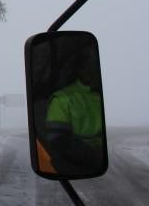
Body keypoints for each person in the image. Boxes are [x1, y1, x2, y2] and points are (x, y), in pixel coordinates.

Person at [43, 46, 105, 176]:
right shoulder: (62, 99)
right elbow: (58, 140)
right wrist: (94, 156)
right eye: (90, 63)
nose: (94, 67)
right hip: (79, 168)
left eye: (96, 63)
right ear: (80, 68)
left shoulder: (106, 95)